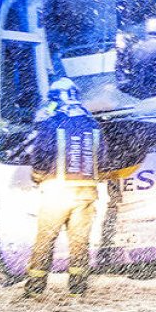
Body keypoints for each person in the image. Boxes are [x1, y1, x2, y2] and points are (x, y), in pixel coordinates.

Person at [23, 78, 103, 297]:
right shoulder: (93, 124)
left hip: (56, 193)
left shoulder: (52, 122)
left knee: (45, 240)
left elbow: (40, 156)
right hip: (86, 194)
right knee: (79, 244)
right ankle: (77, 289)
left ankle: (35, 289)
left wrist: (37, 177)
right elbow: (103, 160)